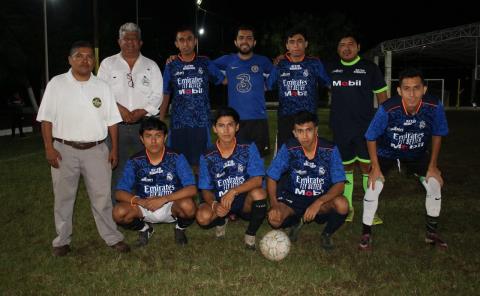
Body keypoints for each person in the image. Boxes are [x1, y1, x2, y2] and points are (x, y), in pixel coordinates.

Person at [36, 41, 130, 256]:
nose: (85, 60)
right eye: (79, 55)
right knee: (63, 198)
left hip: (96, 150)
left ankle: (111, 237)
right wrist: (49, 148)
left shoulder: (102, 86)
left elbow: (112, 121)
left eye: (89, 56)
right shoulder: (57, 84)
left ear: (94, 61)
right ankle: (62, 240)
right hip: (64, 149)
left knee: (102, 197)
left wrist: (114, 149)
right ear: (70, 60)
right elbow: (46, 120)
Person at [358, 68, 449, 250]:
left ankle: (431, 233)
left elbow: (438, 133)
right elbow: (370, 137)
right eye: (406, 89)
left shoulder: (434, 106)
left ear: (424, 89)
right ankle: (366, 232)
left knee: (434, 184)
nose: (412, 94)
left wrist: (432, 166)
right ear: (399, 91)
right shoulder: (388, 108)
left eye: (416, 88)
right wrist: (375, 167)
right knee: (373, 186)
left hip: (416, 154)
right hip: (387, 153)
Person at [325, 34, 388, 223]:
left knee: (368, 167)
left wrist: (383, 125)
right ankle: (349, 207)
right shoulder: (331, 69)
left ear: (358, 47)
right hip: (340, 128)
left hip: (366, 129)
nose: (346, 48)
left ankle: (371, 209)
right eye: (342, 45)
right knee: (346, 168)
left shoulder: (370, 68)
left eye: (350, 44)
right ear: (337, 49)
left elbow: (383, 100)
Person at [97, 22, 163, 199]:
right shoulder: (107, 64)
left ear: (140, 43)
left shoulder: (151, 65)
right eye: (126, 39)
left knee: (144, 166)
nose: (130, 43)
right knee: (114, 166)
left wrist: (141, 111)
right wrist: (121, 110)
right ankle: (116, 207)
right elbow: (100, 93)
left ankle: (144, 209)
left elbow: (158, 95)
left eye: (134, 39)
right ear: (119, 41)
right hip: (114, 125)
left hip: (144, 126)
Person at [266, 111, 348, 250]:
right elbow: (271, 177)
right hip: (292, 198)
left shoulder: (330, 149)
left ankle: (327, 234)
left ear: (316, 130)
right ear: (294, 133)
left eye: (309, 130)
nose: (305, 136)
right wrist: (274, 204)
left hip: (320, 199)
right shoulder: (289, 148)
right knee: (274, 220)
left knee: (343, 204)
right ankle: (295, 221)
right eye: (300, 131)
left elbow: (340, 184)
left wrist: (318, 202)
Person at [112, 117, 197, 246]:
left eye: (158, 135)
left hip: (171, 204)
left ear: (165, 137)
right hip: (145, 205)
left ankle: (180, 228)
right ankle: (144, 229)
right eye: (148, 136)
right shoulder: (135, 161)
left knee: (189, 206)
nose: (153, 141)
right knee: (119, 212)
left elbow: (191, 188)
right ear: (141, 139)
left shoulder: (176, 157)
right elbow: (119, 193)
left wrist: (164, 199)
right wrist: (141, 201)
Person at [196, 107, 267, 249]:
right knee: (202, 217)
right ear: (214, 129)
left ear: (237, 127)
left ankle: (250, 235)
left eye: (230, 125)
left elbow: (258, 179)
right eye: (221, 126)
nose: (226, 130)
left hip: (243, 198)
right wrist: (215, 205)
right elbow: (205, 189)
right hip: (220, 199)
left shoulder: (248, 147)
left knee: (259, 193)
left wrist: (234, 191)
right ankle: (221, 221)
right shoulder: (207, 155)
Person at [160, 26, 224, 170]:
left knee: (202, 165)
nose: (186, 43)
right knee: (177, 164)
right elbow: (166, 93)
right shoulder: (171, 66)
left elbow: (223, 80)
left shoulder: (205, 63)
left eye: (189, 39)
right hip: (178, 123)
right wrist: (161, 119)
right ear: (176, 44)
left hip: (201, 122)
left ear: (195, 41)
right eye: (181, 40)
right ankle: (182, 192)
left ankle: (203, 192)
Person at [213, 25, 273, 157]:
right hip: (235, 120)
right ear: (235, 42)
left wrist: (267, 85)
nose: (245, 41)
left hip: (258, 118)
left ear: (254, 42)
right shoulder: (228, 60)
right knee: (238, 159)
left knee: (259, 159)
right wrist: (221, 79)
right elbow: (206, 65)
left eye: (249, 38)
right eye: (241, 38)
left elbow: (273, 78)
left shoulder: (263, 61)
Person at [267, 28, 330, 150]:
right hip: (286, 117)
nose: (296, 45)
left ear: (306, 44)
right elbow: (270, 85)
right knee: (285, 154)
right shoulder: (280, 64)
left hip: (308, 117)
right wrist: (274, 67)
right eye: (292, 41)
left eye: (299, 41)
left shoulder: (315, 63)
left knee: (309, 153)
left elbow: (327, 83)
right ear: (287, 45)